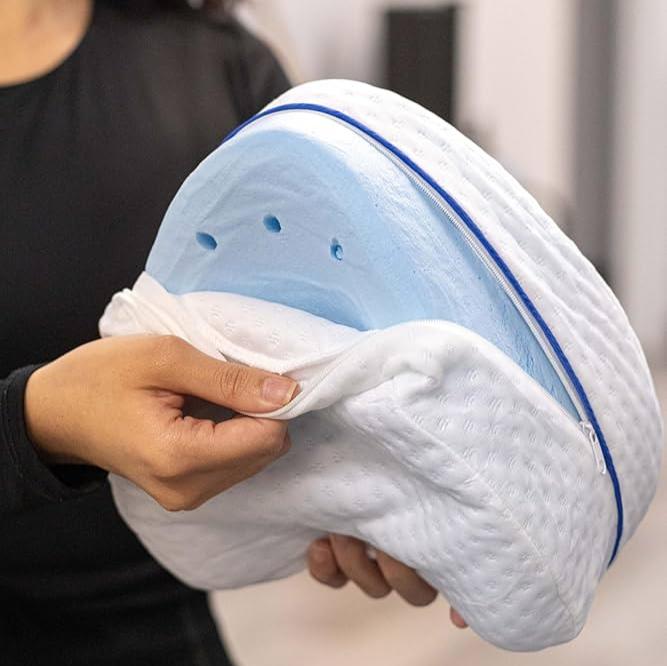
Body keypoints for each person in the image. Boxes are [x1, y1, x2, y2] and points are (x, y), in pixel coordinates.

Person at [0, 1, 465, 664]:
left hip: (161, 635)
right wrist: (37, 423)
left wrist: (368, 483)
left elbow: (343, 334)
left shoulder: (215, 63)